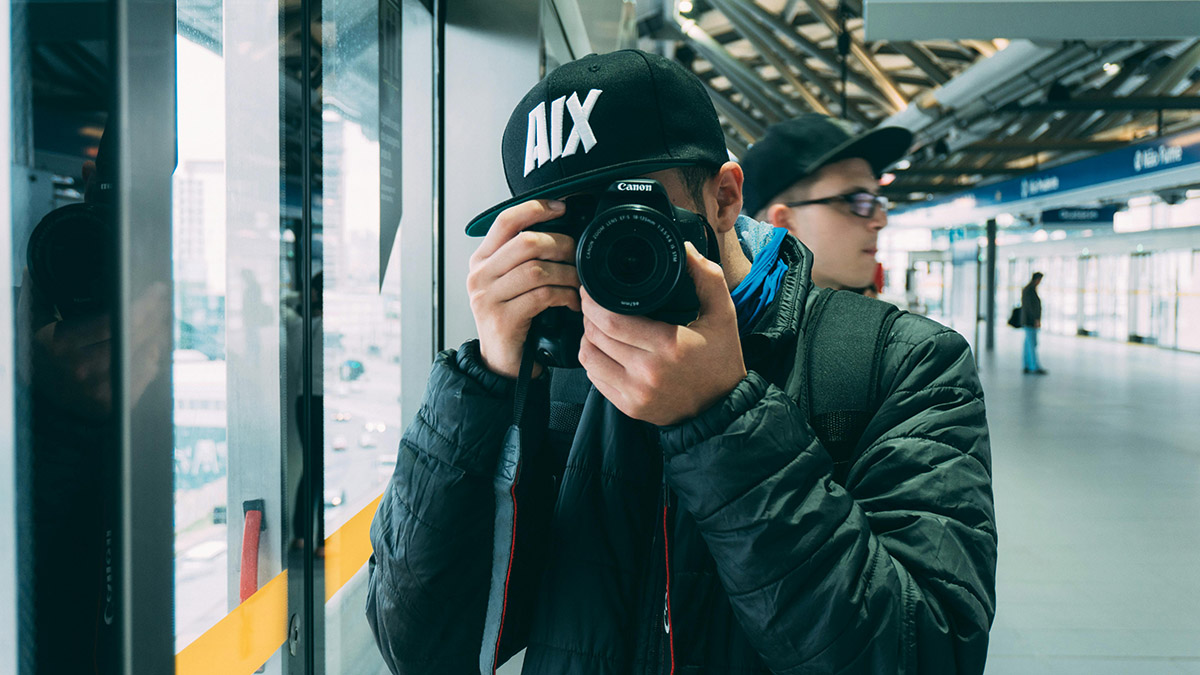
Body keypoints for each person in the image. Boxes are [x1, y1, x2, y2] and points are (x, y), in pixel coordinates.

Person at [367, 49, 996, 674]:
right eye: (570, 227)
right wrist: (486, 382)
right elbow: (420, 649)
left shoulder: (904, 363)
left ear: (724, 198)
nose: (599, 253)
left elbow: (927, 653)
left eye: (629, 213)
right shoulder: (554, 366)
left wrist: (722, 419)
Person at [739, 113, 911, 292]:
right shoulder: (727, 317)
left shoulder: (862, 315)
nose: (881, 221)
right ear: (784, 223)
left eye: (875, 200)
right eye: (855, 200)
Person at [1021, 272, 1047, 374]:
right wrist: (1036, 319)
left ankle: (1027, 365)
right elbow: (1030, 307)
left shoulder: (1029, 289)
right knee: (1032, 344)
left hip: (1028, 321)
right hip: (1030, 321)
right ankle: (1033, 366)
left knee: (1028, 344)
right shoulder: (1029, 290)